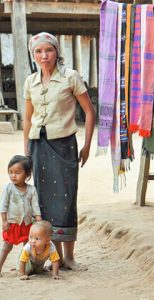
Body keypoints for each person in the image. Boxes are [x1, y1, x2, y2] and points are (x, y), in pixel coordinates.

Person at [23, 32, 95, 270]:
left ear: (56, 52)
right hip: (38, 147)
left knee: (66, 199)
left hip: (64, 146)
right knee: (43, 203)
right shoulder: (30, 81)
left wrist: (86, 145)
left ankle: (70, 257)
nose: (44, 56)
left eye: (49, 50)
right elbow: (27, 120)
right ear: (33, 55)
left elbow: (90, 111)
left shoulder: (70, 77)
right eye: (39, 52)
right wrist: (26, 154)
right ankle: (55, 258)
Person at [0, 155, 42, 276]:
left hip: (27, 224)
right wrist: (4, 221)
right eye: (11, 172)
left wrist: (39, 220)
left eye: (17, 172)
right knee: (6, 247)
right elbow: (3, 206)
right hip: (12, 224)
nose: (13, 175)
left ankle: (25, 270)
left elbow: (35, 207)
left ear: (27, 174)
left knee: (27, 248)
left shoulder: (31, 190)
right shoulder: (8, 188)